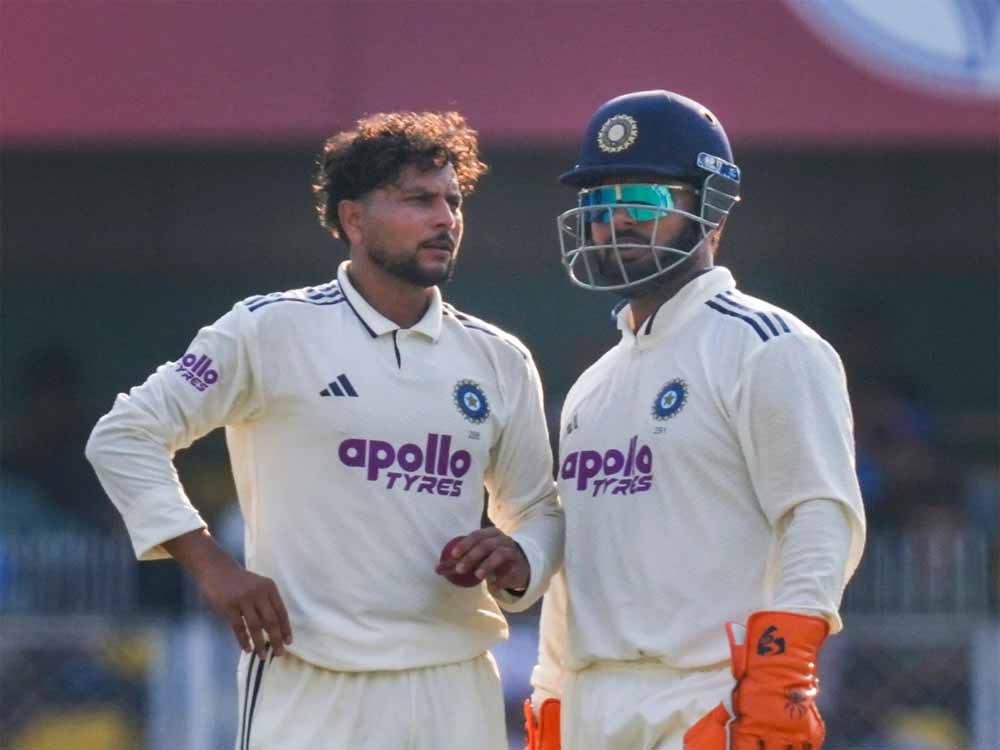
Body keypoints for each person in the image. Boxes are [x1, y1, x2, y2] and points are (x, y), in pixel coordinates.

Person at [86, 111, 564, 750]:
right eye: (419, 200)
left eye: (453, 201)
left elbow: (537, 508)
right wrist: (212, 566)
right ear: (353, 219)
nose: (446, 219)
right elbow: (124, 435)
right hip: (309, 677)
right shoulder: (268, 330)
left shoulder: (498, 358)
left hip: (453, 683)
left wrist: (519, 555)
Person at [523, 90, 866, 750]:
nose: (616, 220)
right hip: (592, 704)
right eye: (600, 201)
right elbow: (578, 568)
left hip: (710, 696)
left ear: (711, 210)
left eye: (643, 198)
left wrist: (783, 675)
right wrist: (551, 697)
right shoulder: (593, 386)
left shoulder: (768, 345)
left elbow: (821, 513)